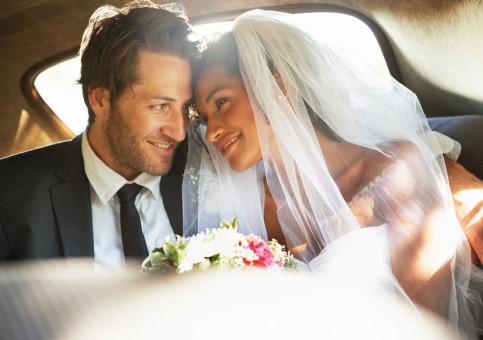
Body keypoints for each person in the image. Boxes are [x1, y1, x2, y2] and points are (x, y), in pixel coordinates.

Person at [184, 9, 483, 338]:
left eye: (222, 102)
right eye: (203, 119)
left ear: (280, 89)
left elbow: (431, 324)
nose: (210, 133)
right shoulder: (244, 209)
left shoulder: (394, 170)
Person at [0, 0, 199, 269]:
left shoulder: (207, 175)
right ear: (101, 99)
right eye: (159, 106)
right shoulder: (9, 192)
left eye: (185, 107)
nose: (179, 130)